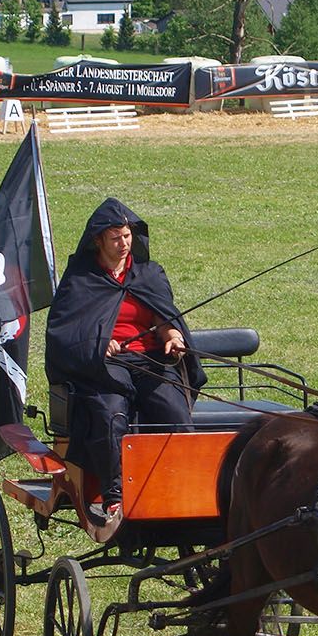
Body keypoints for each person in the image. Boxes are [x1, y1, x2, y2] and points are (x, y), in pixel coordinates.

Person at [45, 199, 206, 527]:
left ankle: (184, 487)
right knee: (111, 413)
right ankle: (115, 497)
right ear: (99, 241)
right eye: (116, 237)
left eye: (128, 236)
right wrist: (99, 343)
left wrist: (173, 337)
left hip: (150, 359)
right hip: (105, 365)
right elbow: (65, 328)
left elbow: (163, 316)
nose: (123, 244)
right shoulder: (81, 278)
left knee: (175, 413)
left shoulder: (148, 274)